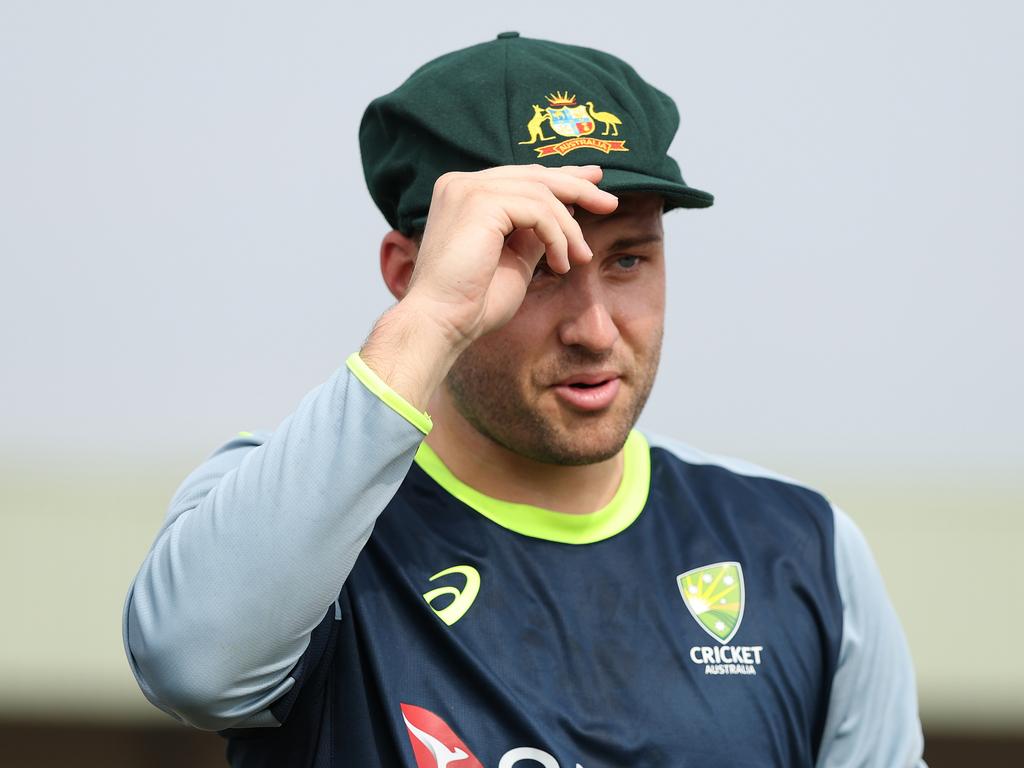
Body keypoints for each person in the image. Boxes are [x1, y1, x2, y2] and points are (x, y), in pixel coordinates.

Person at [123, 33, 926, 768]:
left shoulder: (800, 547)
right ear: (409, 271)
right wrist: (430, 319)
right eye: (537, 265)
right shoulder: (297, 512)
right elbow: (192, 669)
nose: (595, 327)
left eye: (628, 261)